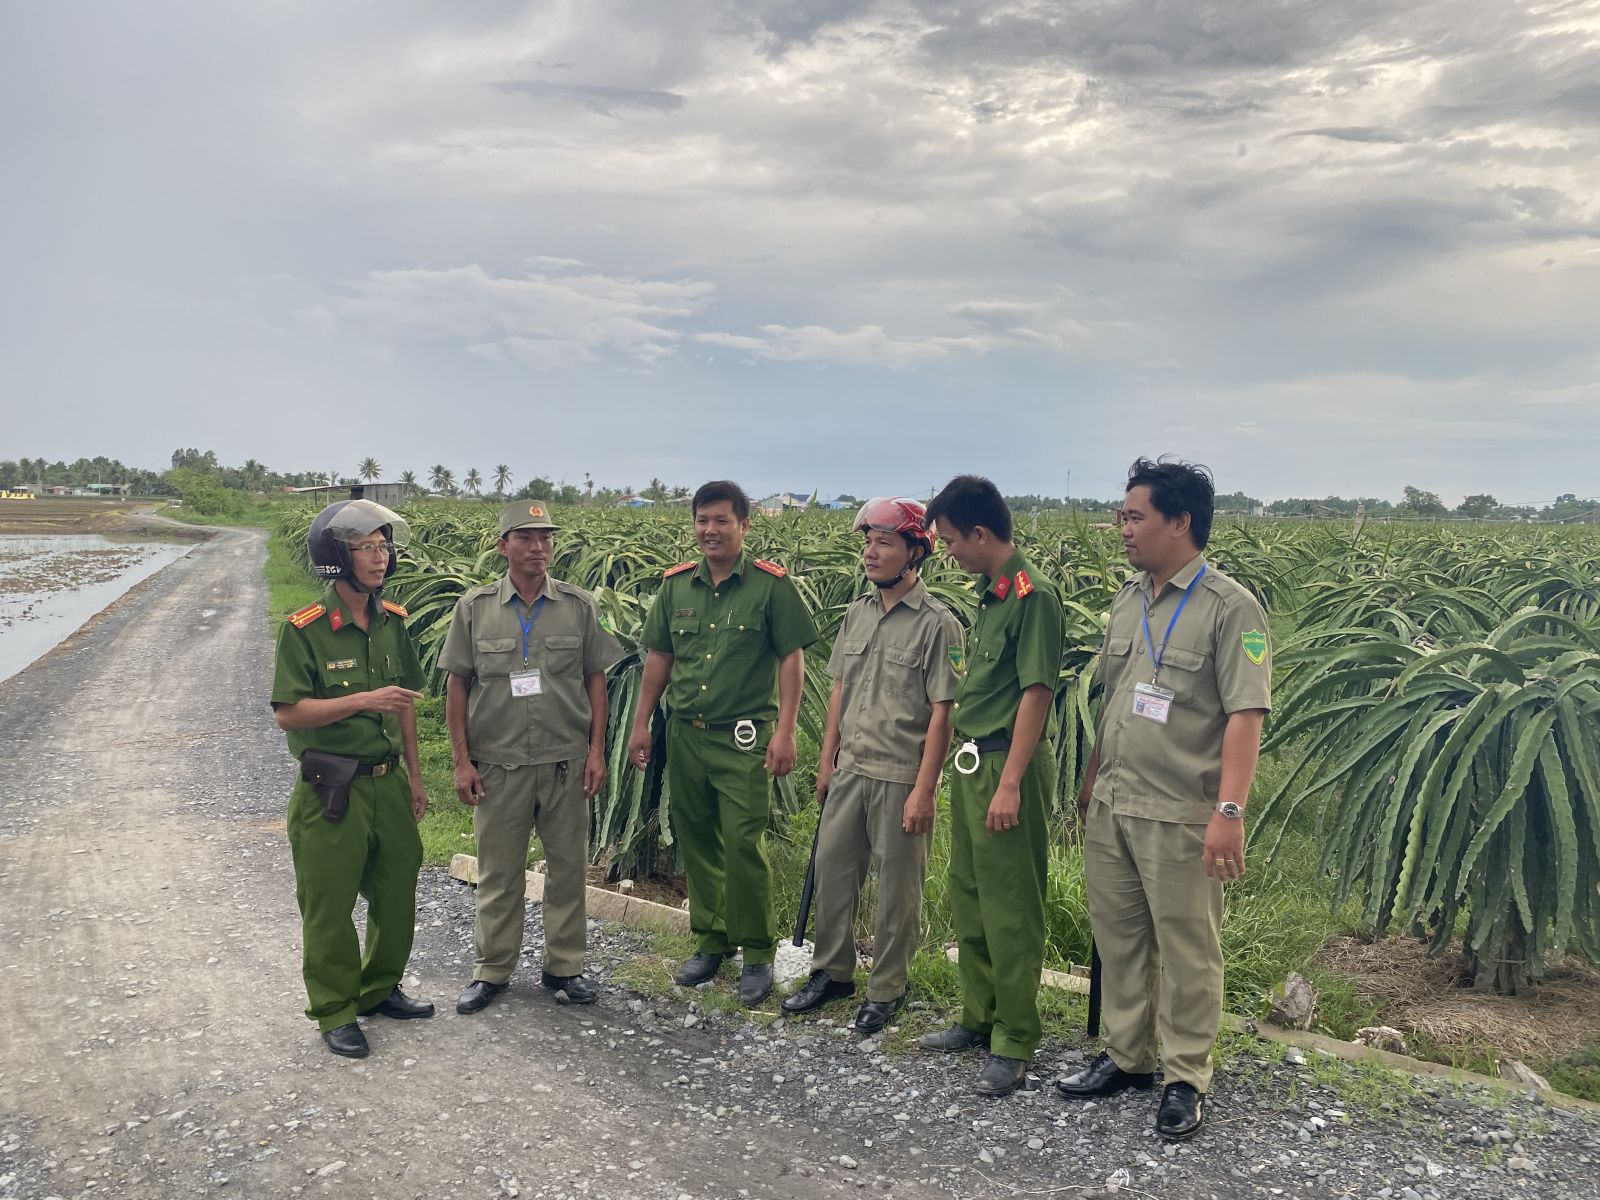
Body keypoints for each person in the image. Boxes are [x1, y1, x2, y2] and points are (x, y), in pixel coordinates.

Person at [1056, 458, 1271, 1141]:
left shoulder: (1231, 608)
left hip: (1182, 810)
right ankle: (1127, 1055)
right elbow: (1117, 699)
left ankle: (1185, 1076)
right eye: (1121, 516)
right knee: (1118, 937)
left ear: (1180, 522)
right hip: (1116, 801)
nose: (1122, 529)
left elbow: (1245, 714)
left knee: (1186, 948)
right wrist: (1092, 777)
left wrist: (1229, 813)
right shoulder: (1128, 599)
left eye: (1134, 516)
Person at [626, 481, 819, 1006]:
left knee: (743, 843)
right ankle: (712, 940)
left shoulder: (770, 586)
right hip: (687, 733)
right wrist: (641, 722)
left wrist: (785, 730)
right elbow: (659, 660)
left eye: (721, 521)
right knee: (699, 839)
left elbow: (791, 659)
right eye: (702, 520)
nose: (710, 531)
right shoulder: (676, 587)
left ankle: (757, 952)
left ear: (744, 526)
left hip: (743, 737)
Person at [782, 498, 963, 1034]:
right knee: (833, 871)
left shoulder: (938, 625)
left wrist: (926, 789)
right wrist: (825, 759)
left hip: (900, 773)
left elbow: (942, 713)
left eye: (884, 542)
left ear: (915, 553)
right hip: (851, 767)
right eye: (868, 542)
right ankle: (831, 971)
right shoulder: (857, 612)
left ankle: (888, 987)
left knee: (897, 888)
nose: (871, 552)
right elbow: (839, 690)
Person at [441, 501, 623, 1015]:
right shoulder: (474, 608)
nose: (538, 547)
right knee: (499, 872)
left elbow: (596, 679)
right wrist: (461, 761)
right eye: (525, 537)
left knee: (567, 870)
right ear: (503, 546)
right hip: (497, 764)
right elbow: (458, 685)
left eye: (545, 537)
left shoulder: (578, 605)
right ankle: (493, 970)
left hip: (564, 761)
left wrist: (596, 750)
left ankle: (563, 967)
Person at [917, 476, 1064, 1097]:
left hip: (1009, 767)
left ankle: (1015, 1036)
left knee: (1010, 908)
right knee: (970, 894)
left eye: (951, 541)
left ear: (980, 534)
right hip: (974, 764)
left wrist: (1010, 785)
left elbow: (1035, 693)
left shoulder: (1033, 597)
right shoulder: (991, 595)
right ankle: (978, 1015)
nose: (949, 552)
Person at [270, 499, 433, 1059]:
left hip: (386, 783)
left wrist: (415, 778)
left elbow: (404, 705)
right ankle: (336, 1009)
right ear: (337, 556)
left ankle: (379, 988)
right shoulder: (305, 630)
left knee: (397, 891)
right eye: (366, 546)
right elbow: (288, 713)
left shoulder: (394, 621)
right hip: (330, 786)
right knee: (329, 901)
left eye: (384, 545)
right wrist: (363, 700)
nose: (380, 557)